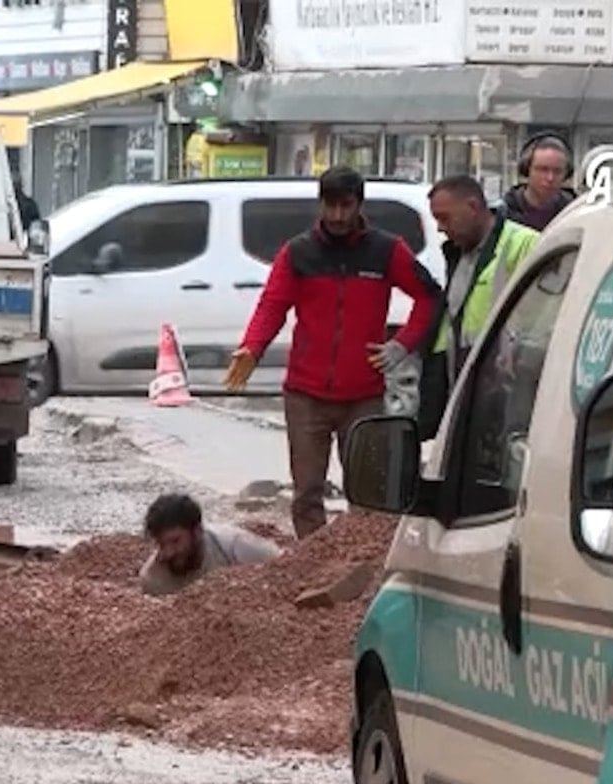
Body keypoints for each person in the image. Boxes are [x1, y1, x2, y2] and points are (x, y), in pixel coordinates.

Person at [222, 166, 441, 539]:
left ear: (359, 205)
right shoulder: (298, 252)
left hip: (364, 396)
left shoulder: (387, 251)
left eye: (346, 206)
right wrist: (252, 348)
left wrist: (401, 345)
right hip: (306, 395)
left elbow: (429, 297)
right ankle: (310, 561)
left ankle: (362, 561)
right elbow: (273, 305)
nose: (337, 216)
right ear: (320, 204)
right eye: (330, 206)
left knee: (369, 494)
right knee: (307, 491)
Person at [416, 175, 541, 438]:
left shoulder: (524, 243)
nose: (439, 228)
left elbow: (541, 319)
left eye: (444, 218)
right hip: (465, 384)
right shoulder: (459, 252)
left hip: (504, 387)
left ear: (473, 207)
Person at [138, 494, 281, 596]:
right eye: (161, 544)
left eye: (175, 541)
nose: (168, 552)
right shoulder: (153, 579)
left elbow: (287, 567)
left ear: (197, 531)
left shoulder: (235, 548)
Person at [501, 134, 575, 231]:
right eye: (543, 170)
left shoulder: (575, 212)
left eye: (557, 171)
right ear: (526, 169)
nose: (550, 178)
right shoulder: (503, 214)